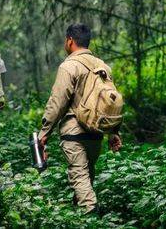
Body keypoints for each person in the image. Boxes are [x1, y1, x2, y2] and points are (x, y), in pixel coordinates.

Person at [39, 23, 123, 214]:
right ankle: (80, 216)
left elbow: (57, 102)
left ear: (70, 41)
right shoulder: (103, 67)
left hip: (74, 132)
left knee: (79, 176)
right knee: (87, 176)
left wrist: (44, 133)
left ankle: (91, 215)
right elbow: (111, 101)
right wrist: (113, 132)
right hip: (96, 133)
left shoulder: (69, 66)